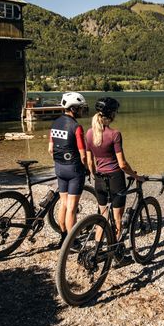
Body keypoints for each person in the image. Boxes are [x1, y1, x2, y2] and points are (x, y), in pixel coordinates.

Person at [85, 96, 142, 247]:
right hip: (115, 180)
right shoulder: (115, 134)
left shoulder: (89, 133)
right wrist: (136, 176)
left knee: (102, 217)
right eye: (115, 112)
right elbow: (122, 164)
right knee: (117, 219)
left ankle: (96, 250)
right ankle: (116, 253)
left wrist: (95, 175)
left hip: (99, 180)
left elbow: (90, 162)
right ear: (111, 114)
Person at [48, 91, 88, 247]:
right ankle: (72, 241)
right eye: (79, 108)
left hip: (59, 168)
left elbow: (50, 149)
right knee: (72, 207)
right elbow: (83, 154)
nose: (80, 110)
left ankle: (63, 237)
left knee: (63, 204)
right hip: (73, 170)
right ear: (73, 109)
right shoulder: (76, 127)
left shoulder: (55, 123)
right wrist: (86, 168)